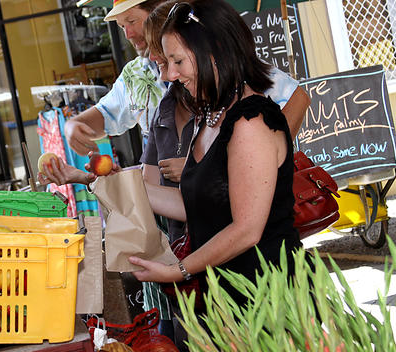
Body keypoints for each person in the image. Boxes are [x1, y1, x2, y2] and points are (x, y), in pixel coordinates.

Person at [128, 0, 303, 305]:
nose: (170, 74)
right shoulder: (208, 115)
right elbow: (197, 204)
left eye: (178, 61)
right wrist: (117, 183)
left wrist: (178, 270)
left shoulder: (251, 121)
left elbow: (247, 230)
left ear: (215, 52)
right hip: (225, 296)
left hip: (269, 298)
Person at [63, 0, 309, 158]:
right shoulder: (136, 75)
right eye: (120, 26)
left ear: (159, 12)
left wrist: (271, 158)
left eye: (131, 21)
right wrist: (72, 126)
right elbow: (105, 115)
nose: (127, 34)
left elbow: (297, 98)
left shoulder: (216, 62)